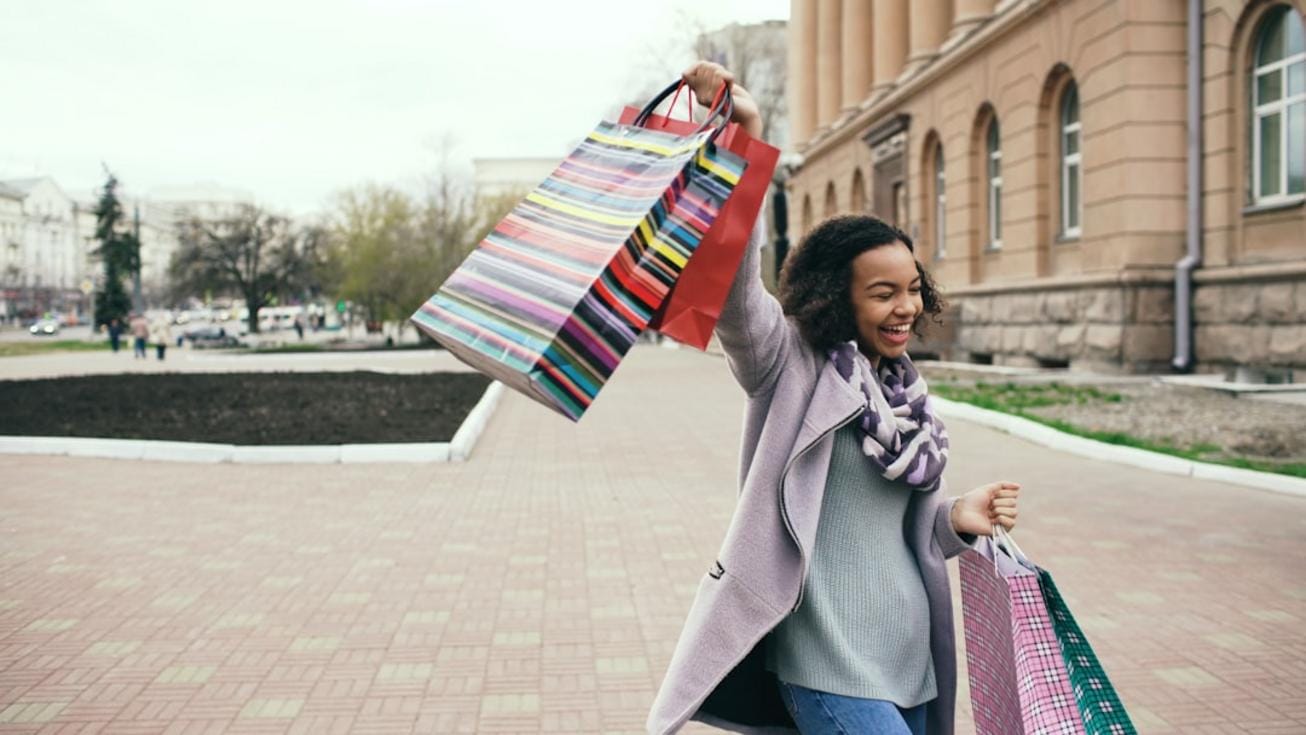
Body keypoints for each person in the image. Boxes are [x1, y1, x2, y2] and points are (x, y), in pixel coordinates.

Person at [646, 62, 1021, 735]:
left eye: (913, 288)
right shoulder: (787, 363)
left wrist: (956, 517)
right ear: (835, 297)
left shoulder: (905, 393)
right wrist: (745, 135)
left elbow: (889, 534)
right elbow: (734, 291)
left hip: (909, 662)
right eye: (884, 293)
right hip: (826, 668)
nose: (906, 307)